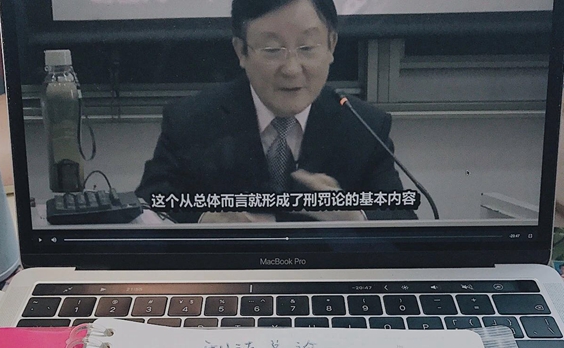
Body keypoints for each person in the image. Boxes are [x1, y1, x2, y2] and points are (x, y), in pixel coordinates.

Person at [136, 0, 413, 223]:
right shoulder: (190, 121)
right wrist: (202, 220)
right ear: (241, 52)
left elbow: (401, 217)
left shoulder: (364, 126)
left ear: (331, 45)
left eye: (307, 48)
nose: (291, 69)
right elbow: (147, 208)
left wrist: (354, 216)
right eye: (272, 50)